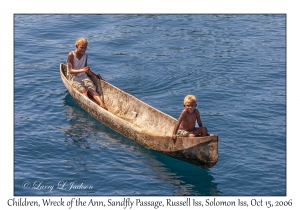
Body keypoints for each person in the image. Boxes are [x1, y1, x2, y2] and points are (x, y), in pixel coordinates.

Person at [66, 38, 107, 110]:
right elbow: (70, 71)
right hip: (73, 77)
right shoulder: (71, 55)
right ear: (77, 46)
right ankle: (90, 105)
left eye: (85, 48)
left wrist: (95, 75)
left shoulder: (85, 55)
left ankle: (102, 104)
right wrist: (82, 70)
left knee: (91, 89)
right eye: (81, 47)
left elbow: (86, 70)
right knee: (83, 90)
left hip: (83, 75)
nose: (83, 50)